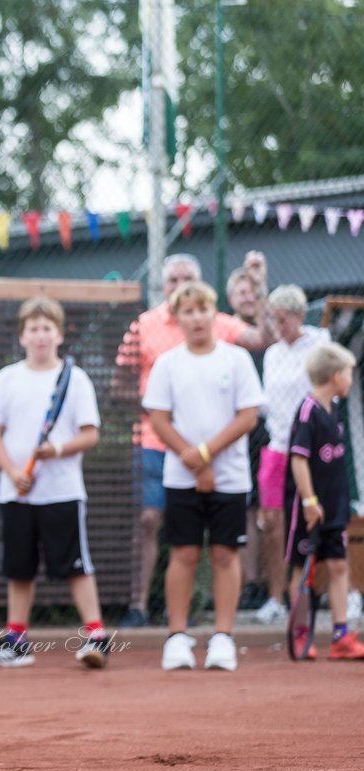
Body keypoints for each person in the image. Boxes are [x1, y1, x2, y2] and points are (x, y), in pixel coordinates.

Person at [116, 253, 275, 628]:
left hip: (219, 456)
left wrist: (260, 289)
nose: (180, 286)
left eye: (188, 278)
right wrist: (164, 413)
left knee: (222, 546)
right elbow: (119, 385)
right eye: (173, 280)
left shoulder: (220, 324)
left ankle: (219, 625)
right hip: (158, 446)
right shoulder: (144, 325)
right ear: (164, 287)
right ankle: (140, 606)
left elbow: (264, 337)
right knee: (152, 522)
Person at [0, 297, 112, 669]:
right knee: (18, 568)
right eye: (33, 329)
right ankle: (17, 641)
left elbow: (90, 434)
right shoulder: (7, 378)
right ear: (21, 336)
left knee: (75, 565)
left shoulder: (76, 378)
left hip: (62, 492)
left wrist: (58, 449)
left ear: (60, 335)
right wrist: (13, 472)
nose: (40, 335)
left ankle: (97, 637)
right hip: (16, 494)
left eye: (47, 328)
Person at [143, 281, 263, 671]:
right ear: (176, 319)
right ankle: (177, 638)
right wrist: (191, 461)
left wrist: (206, 455)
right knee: (185, 553)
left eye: (202, 310)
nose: (196, 318)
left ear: (215, 314)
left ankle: (223, 639)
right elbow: (158, 418)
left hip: (230, 477)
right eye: (188, 312)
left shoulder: (237, 360)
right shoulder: (167, 364)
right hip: (182, 478)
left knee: (226, 554)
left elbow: (248, 416)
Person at [252, 285, 330, 624]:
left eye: (282, 319)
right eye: (273, 319)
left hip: (311, 451)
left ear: (299, 315)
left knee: (319, 519)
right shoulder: (272, 354)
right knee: (272, 522)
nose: (277, 326)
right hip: (277, 448)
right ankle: (276, 598)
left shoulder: (319, 343)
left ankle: (331, 592)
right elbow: (265, 405)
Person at [283, 343, 364, 660]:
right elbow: (298, 461)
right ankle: (301, 633)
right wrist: (309, 501)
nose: (351, 380)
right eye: (349, 374)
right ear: (335, 375)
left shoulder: (335, 410)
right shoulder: (307, 412)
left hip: (335, 506)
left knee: (340, 564)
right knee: (302, 570)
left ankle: (341, 636)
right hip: (308, 510)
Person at [225, 257, 272, 610]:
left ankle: (269, 586)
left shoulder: (267, 332)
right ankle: (246, 583)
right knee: (243, 509)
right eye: (241, 291)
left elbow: (266, 332)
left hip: (269, 431)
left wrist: (261, 283)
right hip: (235, 431)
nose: (247, 296)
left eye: (251, 291)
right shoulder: (225, 332)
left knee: (270, 511)